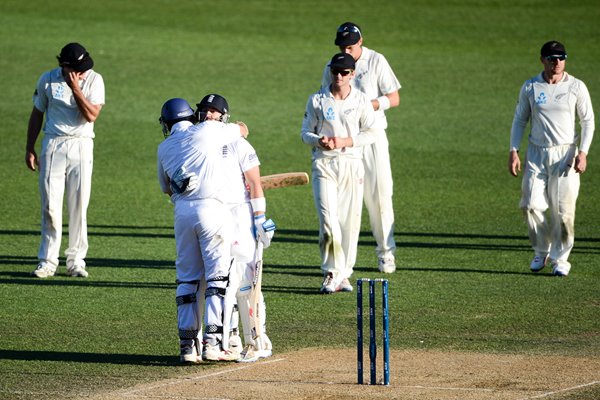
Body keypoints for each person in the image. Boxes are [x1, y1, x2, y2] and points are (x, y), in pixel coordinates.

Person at [157, 98, 251, 363]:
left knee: (187, 279)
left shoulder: (163, 147)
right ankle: (213, 344)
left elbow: (166, 188)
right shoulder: (209, 130)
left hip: (182, 214)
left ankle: (188, 347)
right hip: (213, 211)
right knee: (218, 279)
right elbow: (242, 129)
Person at [194, 94, 275, 362]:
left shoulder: (239, 144)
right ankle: (229, 336)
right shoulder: (197, 143)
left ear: (223, 116)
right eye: (205, 110)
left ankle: (257, 338)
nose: (208, 115)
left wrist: (260, 218)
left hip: (240, 216)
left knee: (246, 279)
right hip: (214, 214)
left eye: (214, 112)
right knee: (219, 278)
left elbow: (254, 182)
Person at [508, 40, 595, 277]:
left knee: (563, 211)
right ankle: (541, 249)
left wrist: (583, 152)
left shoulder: (576, 87)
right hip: (536, 153)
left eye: (561, 57)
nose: (556, 62)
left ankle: (560, 259)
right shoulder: (530, 87)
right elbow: (519, 120)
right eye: (551, 58)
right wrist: (513, 150)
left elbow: (588, 121)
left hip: (566, 154)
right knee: (530, 205)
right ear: (542, 60)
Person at [321, 22, 401, 274]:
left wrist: (368, 106)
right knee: (345, 204)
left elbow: (395, 97)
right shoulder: (333, 67)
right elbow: (324, 100)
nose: (347, 50)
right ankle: (341, 263)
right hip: (344, 145)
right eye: (342, 46)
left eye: (351, 46)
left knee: (379, 197)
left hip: (372, 139)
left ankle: (385, 253)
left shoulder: (376, 61)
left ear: (360, 42)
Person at [26, 42, 105, 278]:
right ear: (64, 65)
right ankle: (48, 261)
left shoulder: (94, 80)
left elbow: (91, 115)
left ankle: (76, 261)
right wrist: (29, 147)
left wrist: (76, 88)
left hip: (81, 144)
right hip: (53, 143)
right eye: (76, 69)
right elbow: (37, 112)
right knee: (50, 206)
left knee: (79, 205)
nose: (82, 72)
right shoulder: (48, 79)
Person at [302, 53, 377, 294]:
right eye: (336, 71)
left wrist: (345, 140)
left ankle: (344, 273)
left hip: (352, 165)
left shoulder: (361, 101)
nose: (339, 76)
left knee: (350, 223)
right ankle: (332, 271)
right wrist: (319, 141)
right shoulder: (317, 100)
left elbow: (372, 133)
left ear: (352, 74)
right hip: (324, 164)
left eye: (344, 72)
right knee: (327, 219)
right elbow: (305, 133)